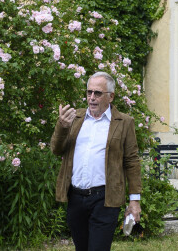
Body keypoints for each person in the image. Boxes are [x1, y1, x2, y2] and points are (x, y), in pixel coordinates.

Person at [51, 71, 142, 251]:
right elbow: (56, 149)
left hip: (105, 199)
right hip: (76, 197)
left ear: (111, 96)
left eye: (97, 93)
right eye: (89, 92)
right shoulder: (74, 118)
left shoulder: (124, 122)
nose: (91, 98)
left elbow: (132, 161)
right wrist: (62, 127)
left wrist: (134, 201)